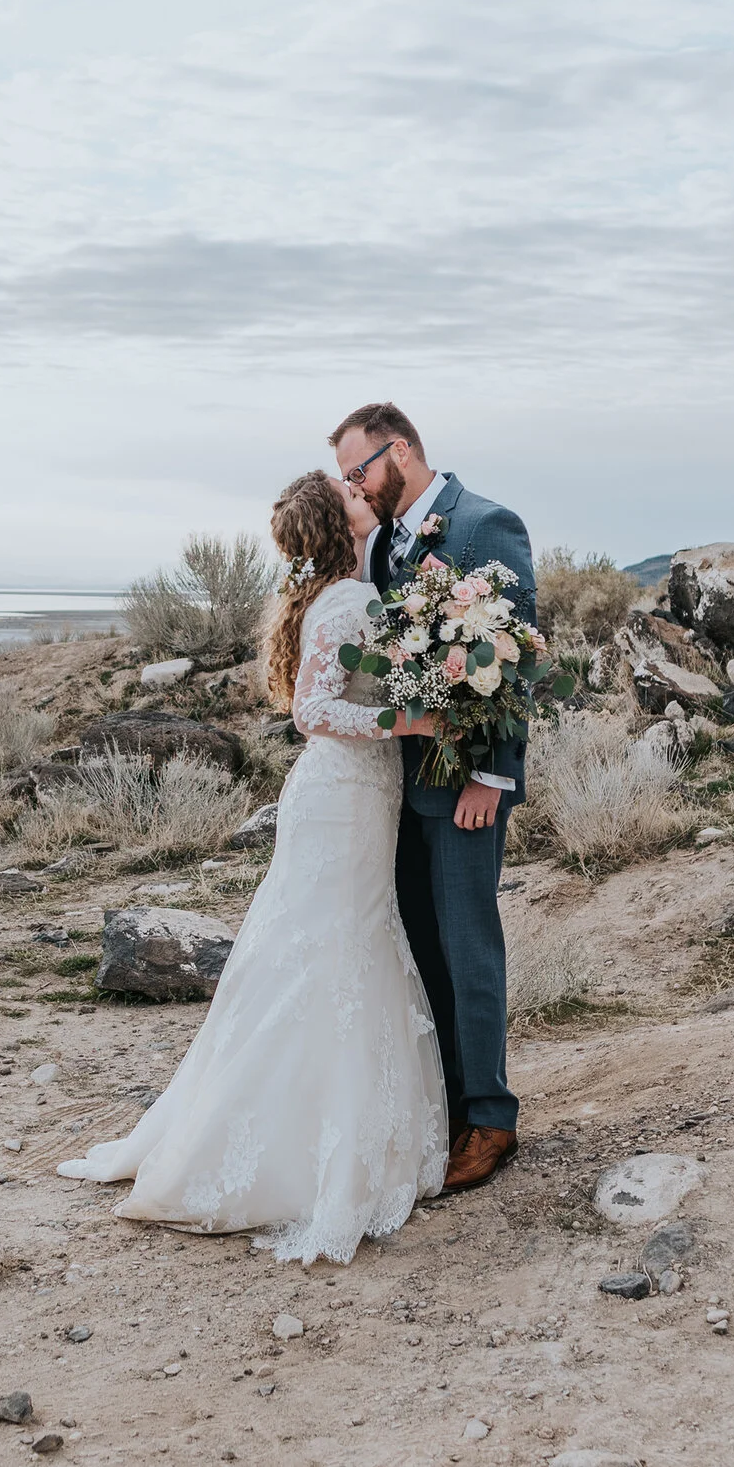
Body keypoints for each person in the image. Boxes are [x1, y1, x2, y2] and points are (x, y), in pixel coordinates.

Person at [55, 468, 448, 1263]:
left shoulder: (345, 594)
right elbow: (312, 710)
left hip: (355, 797)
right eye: (348, 493)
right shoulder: (347, 601)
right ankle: (298, 1153)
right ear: (336, 525)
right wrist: (410, 719)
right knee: (331, 955)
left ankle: (316, 1129)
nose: (362, 492)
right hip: (342, 801)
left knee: (331, 951)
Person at [328, 402, 534, 1194]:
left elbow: (515, 655)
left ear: (402, 450)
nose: (355, 486)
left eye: (359, 471)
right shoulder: (384, 542)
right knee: (421, 949)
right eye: (347, 477)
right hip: (400, 782)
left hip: (465, 783)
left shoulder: (485, 524)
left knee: (468, 945)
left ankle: (491, 1118)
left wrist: (491, 775)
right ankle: (446, 1108)